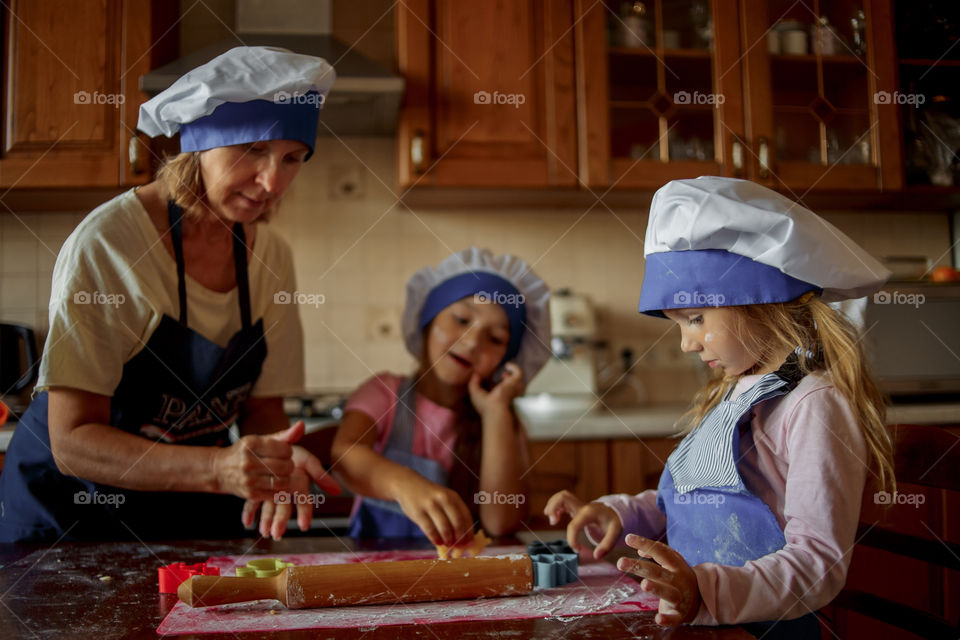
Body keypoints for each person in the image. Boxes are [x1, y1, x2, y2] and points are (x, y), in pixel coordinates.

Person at [0, 47, 341, 542]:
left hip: (185, 514)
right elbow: (72, 442)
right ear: (200, 144)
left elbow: (263, 414)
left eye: (292, 159)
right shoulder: (111, 243)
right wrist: (220, 469)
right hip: (70, 520)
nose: (272, 182)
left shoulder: (271, 254)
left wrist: (272, 464)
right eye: (253, 150)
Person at [544, 177, 895, 637]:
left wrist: (707, 591)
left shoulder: (814, 405)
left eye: (695, 319)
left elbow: (818, 563)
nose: (687, 343)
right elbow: (692, 504)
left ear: (757, 300)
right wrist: (620, 513)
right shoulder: (736, 391)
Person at [330, 248, 551, 546]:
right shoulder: (385, 393)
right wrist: (405, 485)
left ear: (506, 360)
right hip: (374, 572)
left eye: (495, 338)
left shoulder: (499, 421)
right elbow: (345, 455)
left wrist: (496, 412)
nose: (472, 342)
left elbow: (501, 522)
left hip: (460, 579)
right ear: (428, 321)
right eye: (461, 319)